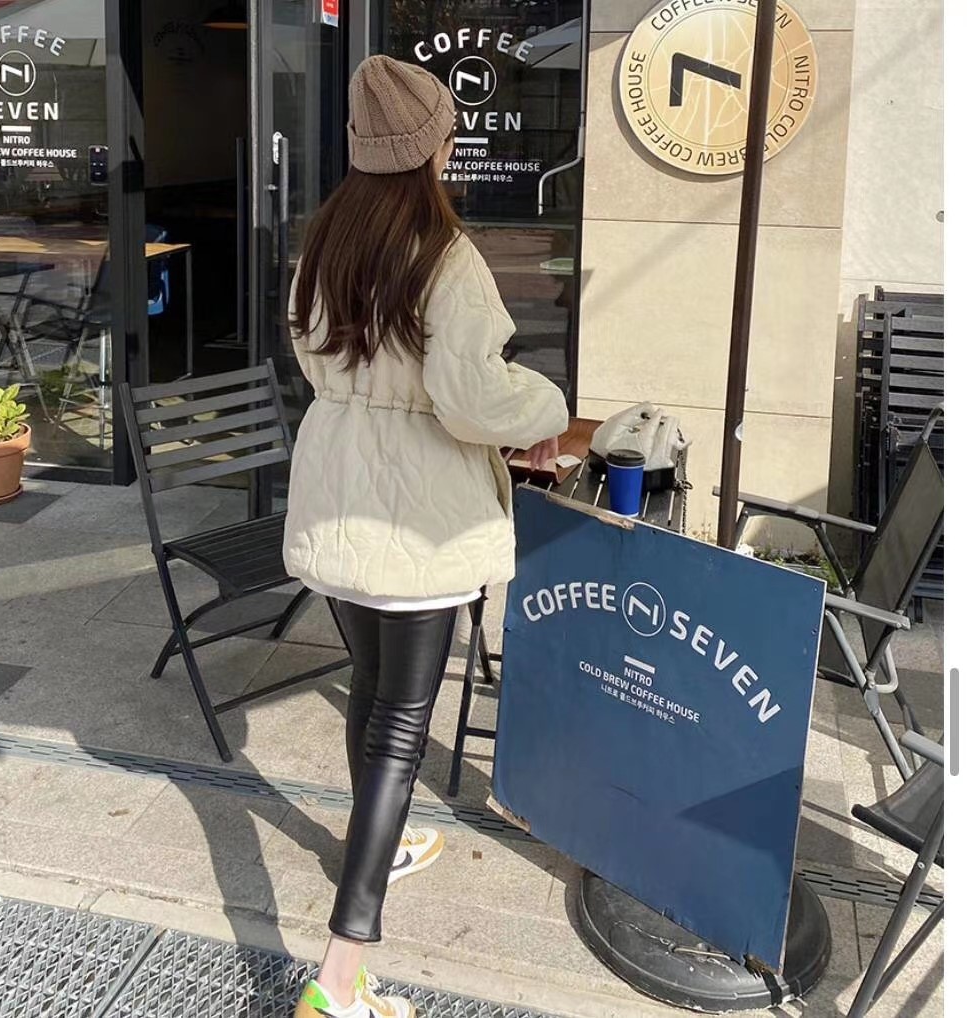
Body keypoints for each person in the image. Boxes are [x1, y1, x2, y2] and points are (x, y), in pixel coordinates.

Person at [284, 54, 569, 1018]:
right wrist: (548, 405)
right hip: (416, 515)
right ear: (433, 145)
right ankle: (341, 974)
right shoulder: (445, 255)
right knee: (403, 723)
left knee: (372, 693)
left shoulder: (325, 240)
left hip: (336, 495)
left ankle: (384, 842)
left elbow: (311, 354)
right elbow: (470, 397)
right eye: (448, 133)